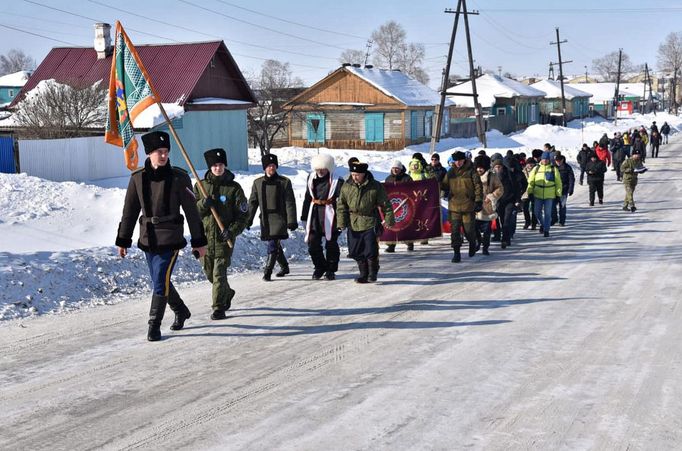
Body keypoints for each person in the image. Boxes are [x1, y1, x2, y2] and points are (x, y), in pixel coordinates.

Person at [115, 131, 208, 342]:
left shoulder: (179, 177)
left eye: (166, 152)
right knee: (161, 280)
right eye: (159, 152)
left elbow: (192, 212)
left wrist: (199, 241)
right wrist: (123, 240)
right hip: (148, 238)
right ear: (149, 153)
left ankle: (154, 326)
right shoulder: (138, 178)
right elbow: (129, 212)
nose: (164, 156)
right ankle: (181, 310)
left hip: (171, 237)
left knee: (159, 281)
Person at [194, 148, 249, 320]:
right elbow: (193, 212)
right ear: (210, 167)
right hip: (205, 239)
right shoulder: (200, 186)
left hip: (224, 240)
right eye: (214, 165)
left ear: (225, 165)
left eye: (220, 165)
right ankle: (227, 292)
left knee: (219, 274)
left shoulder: (234, 188)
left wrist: (231, 231)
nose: (218, 168)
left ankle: (218, 307)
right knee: (209, 273)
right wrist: (203, 204)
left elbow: (243, 216)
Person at [337, 161, 395, 283]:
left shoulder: (375, 186)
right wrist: (341, 222)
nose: (354, 177)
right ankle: (363, 273)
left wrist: (389, 218)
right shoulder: (347, 186)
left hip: (370, 221)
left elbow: (386, 204)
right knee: (355, 251)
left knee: (370, 250)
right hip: (353, 222)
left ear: (363, 174)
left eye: (357, 174)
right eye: (352, 174)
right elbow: (341, 205)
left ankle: (372, 273)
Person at [247, 154, 297, 281]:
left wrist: (291, 220)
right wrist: (248, 219)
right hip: (265, 220)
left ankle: (267, 272)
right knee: (275, 244)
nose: (271, 168)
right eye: (269, 166)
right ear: (264, 167)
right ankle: (284, 266)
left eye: (273, 165)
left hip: (280, 219)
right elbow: (253, 203)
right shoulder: (257, 183)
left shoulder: (284, 182)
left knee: (273, 244)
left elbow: (289, 202)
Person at [301, 154, 344, 280]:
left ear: (328, 168)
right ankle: (319, 267)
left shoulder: (337, 181)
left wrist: (342, 220)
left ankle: (331, 269)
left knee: (331, 244)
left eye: (323, 168)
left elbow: (342, 202)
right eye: (318, 168)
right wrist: (304, 217)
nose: (320, 171)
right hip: (314, 215)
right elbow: (307, 199)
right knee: (312, 243)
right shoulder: (310, 179)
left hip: (331, 215)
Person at [441, 151, 483, 262]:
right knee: (455, 231)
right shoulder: (451, 172)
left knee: (469, 230)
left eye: (460, 160)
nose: (458, 163)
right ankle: (456, 253)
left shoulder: (471, 171)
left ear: (464, 160)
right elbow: (444, 186)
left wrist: (478, 201)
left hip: (468, 206)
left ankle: (473, 243)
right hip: (454, 206)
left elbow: (478, 186)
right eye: (456, 160)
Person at [526, 151, 562, 238]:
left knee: (547, 213)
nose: (545, 161)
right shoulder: (536, 169)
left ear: (549, 160)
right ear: (541, 160)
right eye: (543, 159)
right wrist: (530, 192)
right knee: (536, 212)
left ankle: (546, 230)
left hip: (549, 195)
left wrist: (558, 195)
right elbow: (530, 182)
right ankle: (542, 224)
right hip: (537, 194)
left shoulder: (553, 169)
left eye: (546, 159)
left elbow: (558, 183)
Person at [474, 156, 503, 256]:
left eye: (481, 167)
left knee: (487, 230)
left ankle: (485, 247)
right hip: (474, 208)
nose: (479, 169)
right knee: (473, 229)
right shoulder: (472, 176)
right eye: (477, 167)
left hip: (487, 207)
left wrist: (491, 196)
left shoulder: (492, 176)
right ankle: (477, 242)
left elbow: (500, 188)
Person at [384, 159, 413, 253]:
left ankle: (409, 242)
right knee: (392, 225)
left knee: (405, 224)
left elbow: (412, 189)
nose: (395, 170)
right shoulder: (388, 179)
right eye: (393, 168)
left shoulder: (407, 178)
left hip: (405, 204)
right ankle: (391, 245)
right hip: (392, 204)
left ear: (400, 169)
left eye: (397, 168)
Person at [492, 157, 518, 249]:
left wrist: (517, 200)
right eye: (496, 167)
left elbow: (516, 187)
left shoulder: (509, 175)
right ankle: (505, 238)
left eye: (499, 167)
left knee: (506, 220)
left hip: (509, 201)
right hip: (498, 201)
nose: (498, 169)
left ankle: (505, 240)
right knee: (502, 220)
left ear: (502, 167)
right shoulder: (492, 177)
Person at [554, 154, 575, 226]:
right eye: (556, 161)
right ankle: (554, 218)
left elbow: (571, 179)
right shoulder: (553, 167)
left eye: (559, 161)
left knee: (562, 206)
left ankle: (562, 221)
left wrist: (571, 189)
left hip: (564, 189)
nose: (558, 162)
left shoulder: (567, 167)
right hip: (554, 190)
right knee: (552, 206)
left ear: (562, 160)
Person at [521, 158, 537, 229]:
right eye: (528, 163)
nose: (530, 165)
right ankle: (527, 221)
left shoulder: (537, 171)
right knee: (525, 208)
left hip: (534, 191)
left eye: (531, 163)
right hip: (525, 192)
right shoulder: (523, 171)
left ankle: (534, 223)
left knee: (534, 208)